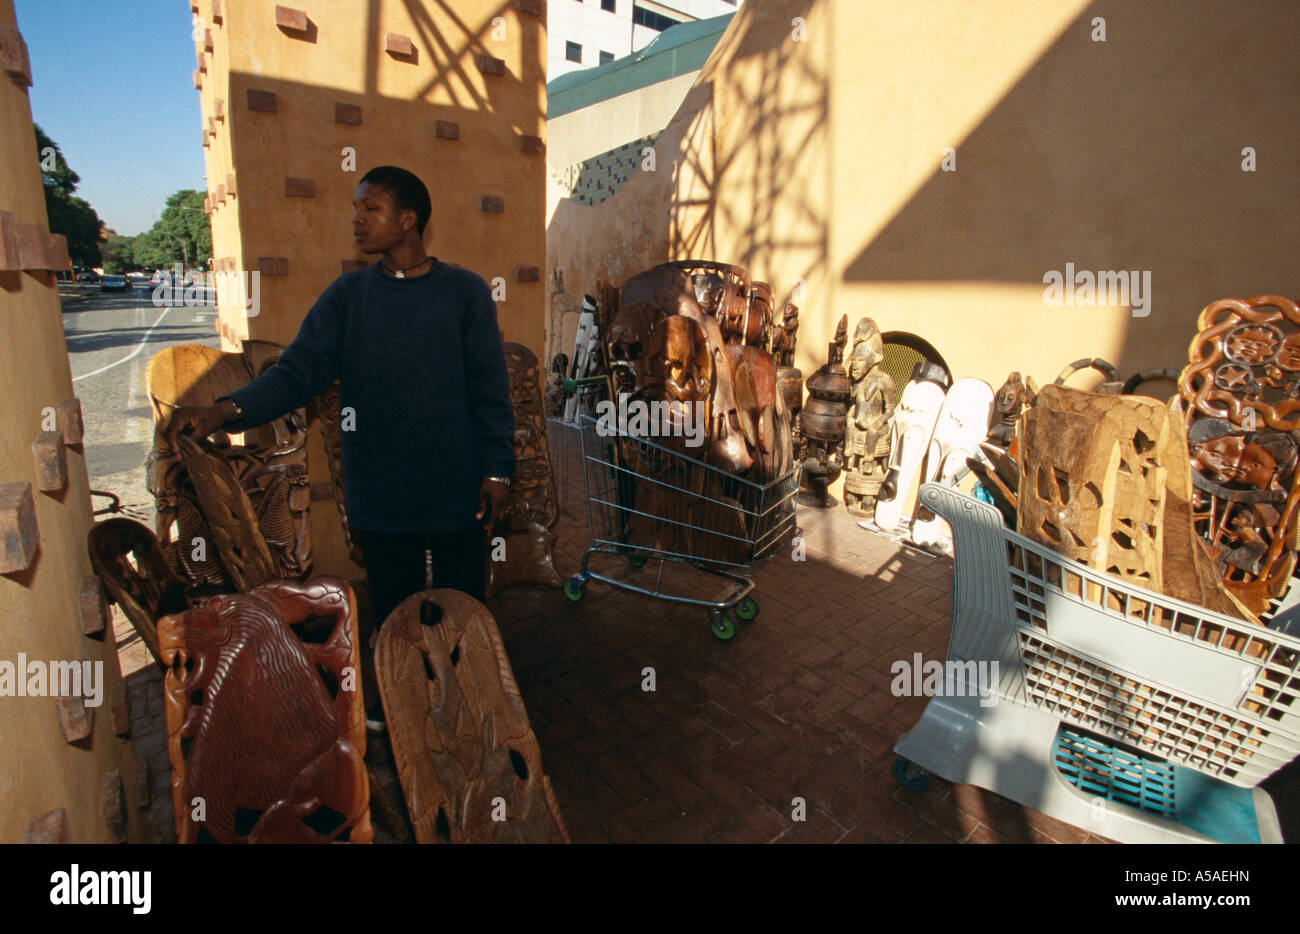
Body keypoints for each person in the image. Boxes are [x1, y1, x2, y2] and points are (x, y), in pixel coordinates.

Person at [165, 165, 515, 631]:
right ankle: (402, 702)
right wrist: (223, 410)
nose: (357, 218)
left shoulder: (464, 292)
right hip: (381, 495)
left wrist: (497, 471)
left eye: (371, 208)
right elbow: (295, 372)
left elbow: (490, 389)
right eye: (355, 208)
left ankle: (468, 703)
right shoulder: (348, 297)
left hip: (456, 489)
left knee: (465, 619)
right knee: (397, 625)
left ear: (408, 218)